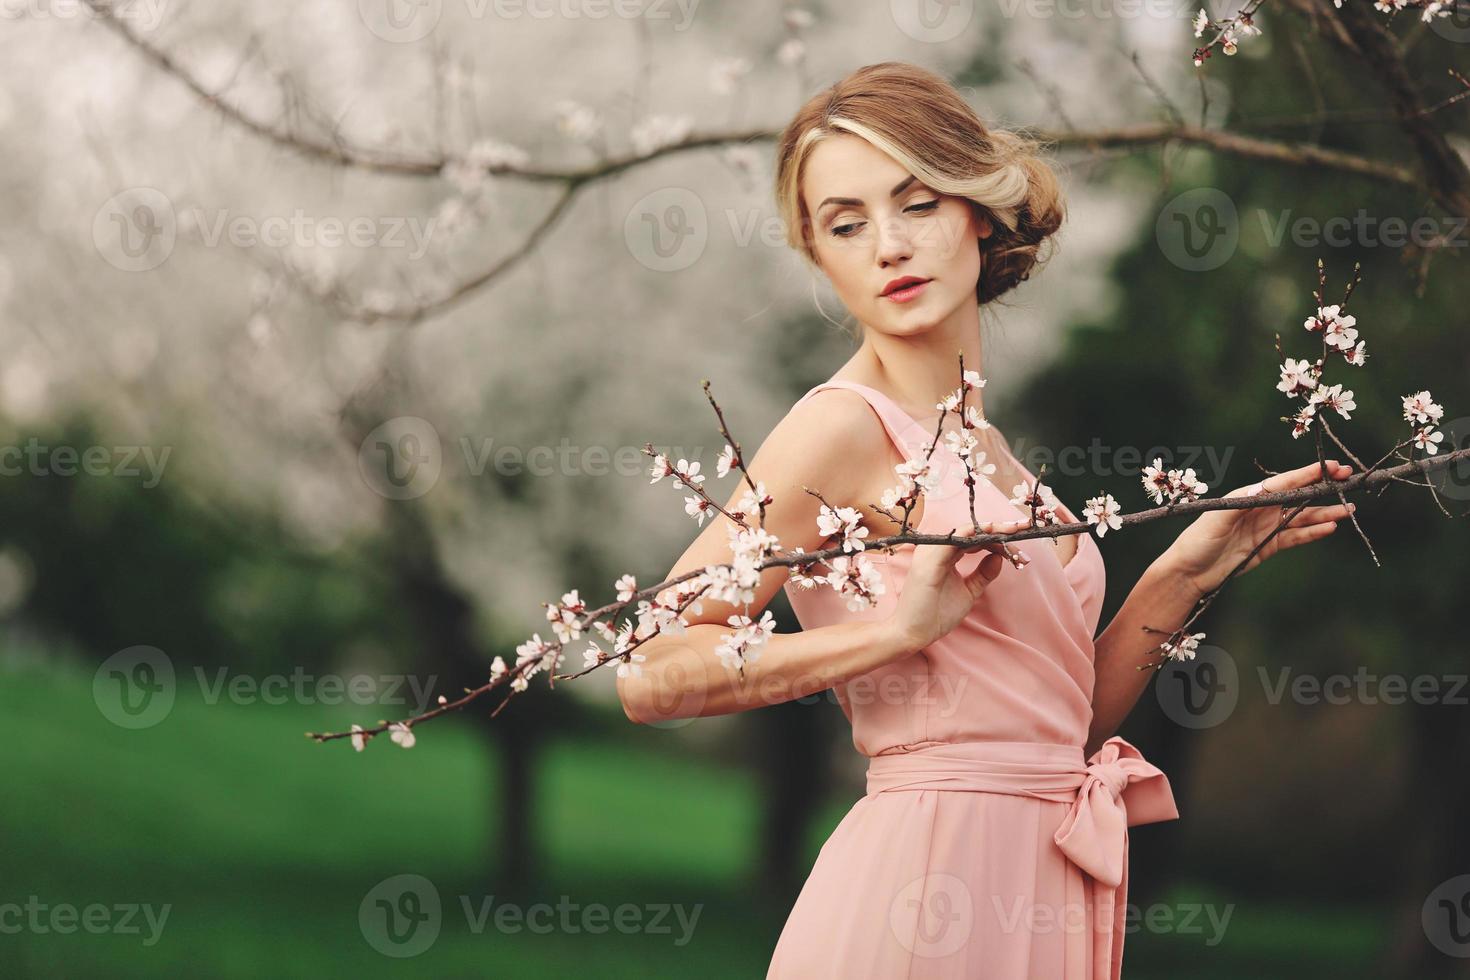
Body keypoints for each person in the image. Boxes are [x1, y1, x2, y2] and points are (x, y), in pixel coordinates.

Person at [616, 61, 1355, 979]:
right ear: (821, 255)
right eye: (847, 225)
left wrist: (1180, 577)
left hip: (1041, 890)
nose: (888, 245)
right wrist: (894, 632)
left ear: (976, 207)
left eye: (915, 204)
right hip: (920, 896)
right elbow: (651, 675)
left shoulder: (995, 454)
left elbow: (1054, 729)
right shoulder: (840, 427)